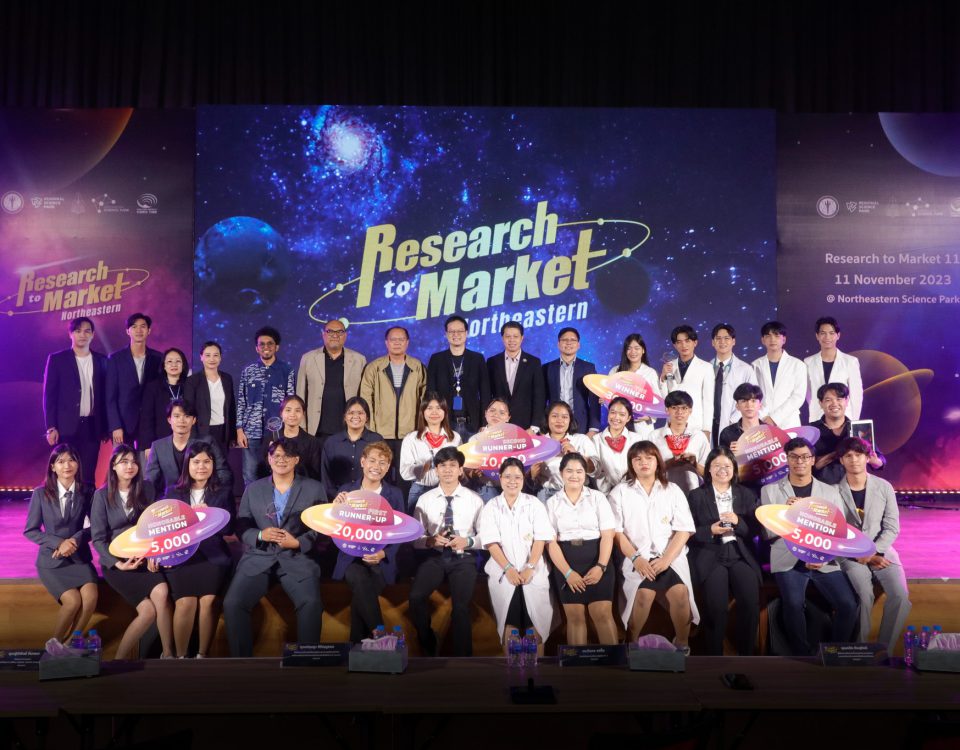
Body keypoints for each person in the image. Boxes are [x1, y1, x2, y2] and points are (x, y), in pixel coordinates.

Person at [223, 438, 326, 657]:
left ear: (296, 460)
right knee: (233, 603)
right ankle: (241, 664)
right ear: (269, 459)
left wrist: (298, 542)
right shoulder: (253, 489)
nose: (281, 460)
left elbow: (321, 527)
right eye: (276, 455)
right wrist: (260, 535)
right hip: (259, 558)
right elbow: (242, 525)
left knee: (311, 603)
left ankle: (307, 661)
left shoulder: (314, 488)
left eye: (287, 456)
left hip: (297, 558)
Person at [760, 437, 859, 656]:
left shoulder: (830, 492)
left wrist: (822, 555)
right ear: (787, 459)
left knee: (848, 605)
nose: (800, 462)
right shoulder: (770, 490)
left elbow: (838, 531)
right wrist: (784, 514)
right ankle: (802, 655)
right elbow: (767, 533)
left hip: (822, 559)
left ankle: (832, 653)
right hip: (788, 559)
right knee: (793, 603)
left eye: (805, 457)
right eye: (794, 457)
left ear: (813, 460)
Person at [608, 441, 698, 654]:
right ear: (631, 463)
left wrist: (666, 559)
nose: (644, 463)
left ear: (658, 461)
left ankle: (682, 644)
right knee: (643, 596)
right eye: (637, 459)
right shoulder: (620, 492)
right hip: (637, 556)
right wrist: (636, 559)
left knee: (680, 594)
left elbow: (684, 530)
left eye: (649, 458)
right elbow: (616, 532)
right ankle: (631, 643)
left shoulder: (672, 490)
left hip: (670, 556)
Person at [91, 444, 174, 659]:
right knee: (148, 611)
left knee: (162, 592)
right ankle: (119, 660)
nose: (130, 466)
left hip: (143, 556)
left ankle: (168, 654)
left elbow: (156, 526)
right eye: (124, 462)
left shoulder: (146, 488)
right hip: (117, 562)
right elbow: (98, 538)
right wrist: (117, 563)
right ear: (113, 466)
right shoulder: (101, 496)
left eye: (133, 462)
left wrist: (155, 553)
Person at [835, 438, 911, 653]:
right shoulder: (833, 491)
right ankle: (859, 650)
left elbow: (892, 527)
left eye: (859, 455)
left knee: (900, 597)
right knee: (864, 596)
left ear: (868, 458)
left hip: (882, 551)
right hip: (850, 555)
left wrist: (873, 551)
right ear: (841, 460)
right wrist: (861, 554)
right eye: (848, 456)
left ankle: (883, 650)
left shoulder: (884, 487)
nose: (854, 460)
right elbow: (834, 531)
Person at [687, 447, 762, 655]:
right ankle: (714, 657)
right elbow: (688, 531)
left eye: (727, 466)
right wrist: (709, 530)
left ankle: (746, 656)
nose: (722, 470)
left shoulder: (746, 494)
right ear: (708, 469)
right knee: (716, 609)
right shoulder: (696, 496)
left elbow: (756, 530)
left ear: (734, 469)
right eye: (717, 465)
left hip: (740, 554)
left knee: (750, 603)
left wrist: (739, 522)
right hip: (710, 554)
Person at [409, 447, 484, 656]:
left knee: (461, 608)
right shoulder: (425, 500)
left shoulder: (474, 499)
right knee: (416, 597)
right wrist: (430, 540)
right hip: (435, 557)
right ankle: (428, 641)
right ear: (436, 470)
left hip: (464, 558)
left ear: (460, 470)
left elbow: (486, 537)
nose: (448, 470)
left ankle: (463, 660)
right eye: (442, 465)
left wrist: (467, 541)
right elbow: (414, 539)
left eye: (453, 465)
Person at [163, 442, 234, 658]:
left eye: (206, 462)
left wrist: (211, 515)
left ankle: (202, 656)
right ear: (187, 464)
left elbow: (229, 528)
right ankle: (180, 658)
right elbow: (164, 528)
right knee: (185, 602)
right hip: (182, 556)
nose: (201, 467)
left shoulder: (222, 491)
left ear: (213, 465)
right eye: (196, 462)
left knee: (208, 602)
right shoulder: (173, 492)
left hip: (212, 556)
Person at [479, 457, 556, 656]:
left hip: (533, 573)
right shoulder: (491, 506)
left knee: (535, 630)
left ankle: (536, 671)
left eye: (517, 477)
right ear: (500, 478)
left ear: (523, 478)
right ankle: (512, 672)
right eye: (507, 476)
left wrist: (530, 567)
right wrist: (508, 569)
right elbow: (491, 543)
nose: (512, 481)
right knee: (510, 628)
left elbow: (541, 539)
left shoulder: (534, 504)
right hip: (503, 574)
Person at [23, 444, 98, 642]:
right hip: (52, 560)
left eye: (71, 460)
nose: (67, 465)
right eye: (61, 461)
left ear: (78, 464)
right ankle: (54, 645)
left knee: (90, 596)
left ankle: (72, 641)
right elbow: (30, 531)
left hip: (79, 557)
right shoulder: (40, 493)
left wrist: (74, 540)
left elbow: (96, 527)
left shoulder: (88, 491)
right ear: (53, 467)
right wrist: (58, 543)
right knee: (72, 601)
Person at [332, 441, 405, 643]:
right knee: (358, 577)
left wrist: (384, 554)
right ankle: (380, 634)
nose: (376, 466)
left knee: (362, 594)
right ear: (362, 462)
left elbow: (400, 532)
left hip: (381, 561)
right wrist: (334, 509)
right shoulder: (346, 491)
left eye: (382, 462)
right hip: (351, 559)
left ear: (388, 467)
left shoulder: (395, 494)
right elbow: (334, 529)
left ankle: (358, 647)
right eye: (372, 460)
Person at [545, 453, 618, 645]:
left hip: (598, 559)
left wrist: (601, 566)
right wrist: (568, 573)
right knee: (575, 618)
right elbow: (550, 543)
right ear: (561, 473)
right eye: (569, 471)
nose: (574, 475)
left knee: (602, 614)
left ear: (585, 474)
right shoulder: (552, 503)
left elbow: (608, 535)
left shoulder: (598, 498)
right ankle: (576, 664)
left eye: (579, 471)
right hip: (566, 563)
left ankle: (614, 663)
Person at [42, 316, 108, 482]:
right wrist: (51, 427)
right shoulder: (57, 359)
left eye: (87, 331)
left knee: (88, 474)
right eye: (78, 331)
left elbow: (106, 396)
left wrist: (106, 426)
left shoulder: (102, 360)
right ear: (70, 334)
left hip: (92, 425)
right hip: (66, 426)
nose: (82, 335)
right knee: (65, 472)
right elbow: (49, 396)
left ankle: (87, 500)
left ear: (93, 334)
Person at [359, 326, 426, 485]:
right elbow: (365, 400)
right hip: (380, 434)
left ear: (407, 342)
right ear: (386, 342)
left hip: (409, 434)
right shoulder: (374, 367)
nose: (397, 343)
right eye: (393, 339)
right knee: (380, 477)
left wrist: (419, 428)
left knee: (406, 479)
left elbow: (424, 401)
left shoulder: (418, 367)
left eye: (401, 339)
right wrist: (371, 429)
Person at [236, 326, 296, 485]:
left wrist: (288, 429)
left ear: (277, 347)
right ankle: (252, 501)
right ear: (257, 348)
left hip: (277, 431)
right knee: (251, 473)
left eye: (270, 343)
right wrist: (239, 429)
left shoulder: (286, 370)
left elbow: (290, 401)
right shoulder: (248, 371)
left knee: (278, 471)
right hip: (252, 431)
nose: (266, 347)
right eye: (261, 344)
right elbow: (242, 401)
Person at [296, 317, 366, 451]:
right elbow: (300, 395)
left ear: (345, 335)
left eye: (340, 332)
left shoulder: (359, 360)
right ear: (323, 334)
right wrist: (302, 426)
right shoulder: (308, 358)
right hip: (317, 431)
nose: (335, 335)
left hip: (349, 430)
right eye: (330, 331)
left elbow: (364, 397)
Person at [144, 400, 231, 496]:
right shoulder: (158, 447)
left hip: (203, 496)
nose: (182, 420)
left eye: (187, 416)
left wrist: (213, 495)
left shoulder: (207, 441)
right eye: (177, 416)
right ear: (169, 420)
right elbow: (150, 480)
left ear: (194, 420)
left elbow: (223, 472)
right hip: (170, 499)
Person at [426, 315, 490, 440]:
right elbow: (431, 393)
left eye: (460, 331)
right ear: (446, 334)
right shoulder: (437, 359)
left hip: (473, 425)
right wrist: (433, 422)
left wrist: (484, 423)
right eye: (451, 331)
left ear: (466, 333)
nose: (456, 334)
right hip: (444, 424)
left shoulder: (477, 359)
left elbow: (485, 393)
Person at [106, 312, 162, 448]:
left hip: (149, 423)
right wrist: (115, 425)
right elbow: (110, 396)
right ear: (128, 331)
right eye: (134, 327)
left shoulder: (158, 358)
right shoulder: (116, 359)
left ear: (149, 330)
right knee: (122, 460)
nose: (139, 330)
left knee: (147, 461)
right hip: (123, 425)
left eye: (143, 326)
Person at [810, 383, 884, 484]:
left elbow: (879, 462)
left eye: (839, 399)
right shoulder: (811, 430)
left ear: (847, 401)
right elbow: (807, 464)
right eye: (828, 400)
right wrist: (836, 454)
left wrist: (875, 461)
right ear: (820, 403)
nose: (834, 403)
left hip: (855, 486)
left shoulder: (859, 428)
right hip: (822, 487)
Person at [400, 393, 463, 511]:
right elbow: (404, 471)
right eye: (429, 408)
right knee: (417, 523)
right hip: (420, 490)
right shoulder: (411, 438)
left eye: (439, 408)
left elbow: (461, 466)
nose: (434, 412)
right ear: (423, 412)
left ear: (445, 411)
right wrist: (423, 468)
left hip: (448, 490)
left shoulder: (455, 438)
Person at [530, 401, 598, 502]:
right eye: (554, 416)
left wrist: (576, 455)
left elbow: (596, 470)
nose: (559, 420)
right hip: (547, 494)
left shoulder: (581, 439)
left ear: (570, 420)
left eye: (564, 417)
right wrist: (532, 475)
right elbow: (529, 481)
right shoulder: (538, 443)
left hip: (579, 493)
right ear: (547, 419)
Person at [486, 321, 546, 432]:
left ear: (522, 338)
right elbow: (487, 394)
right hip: (497, 425)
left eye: (515, 336)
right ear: (502, 338)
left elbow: (539, 396)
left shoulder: (533, 362)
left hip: (526, 426)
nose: (511, 340)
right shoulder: (492, 362)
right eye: (508, 336)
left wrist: (534, 426)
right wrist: (486, 423)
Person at [709, 324, 762, 447]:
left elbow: (752, 398)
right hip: (710, 422)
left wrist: (733, 420)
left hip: (733, 424)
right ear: (713, 342)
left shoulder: (745, 369)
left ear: (733, 341)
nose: (722, 342)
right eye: (718, 338)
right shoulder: (706, 368)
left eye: (726, 338)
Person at [320, 396, 383, 499]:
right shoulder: (331, 442)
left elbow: (383, 470)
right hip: (338, 499)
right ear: (345, 417)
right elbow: (325, 477)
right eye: (351, 413)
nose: (355, 416)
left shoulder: (376, 440)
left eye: (360, 413)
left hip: (369, 498)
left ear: (367, 417)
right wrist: (336, 496)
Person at [659, 325, 714, 440]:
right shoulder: (669, 366)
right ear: (675, 345)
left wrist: (707, 429)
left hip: (696, 424)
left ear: (695, 342)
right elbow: (665, 398)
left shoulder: (706, 367)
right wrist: (663, 378)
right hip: (673, 424)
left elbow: (708, 401)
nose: (683, 345)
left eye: (687, 341)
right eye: (679, 342)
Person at [543, 327, 601, 436]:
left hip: (581, 424)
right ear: (558, 344)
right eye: (565, 340)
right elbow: (542, 400)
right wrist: (541, 427)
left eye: (573, 340)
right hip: (554, 424)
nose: (568, 343)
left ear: (578, 345)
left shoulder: (588, 368)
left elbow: (594, 400)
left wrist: (593, 428)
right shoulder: (547, 368)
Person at [805, 317, 863, 422]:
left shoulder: (850, 361)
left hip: (843, 417)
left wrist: (854, 421)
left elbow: (856, 395)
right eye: (823, 333)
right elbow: (808, 393)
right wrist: (819, 405)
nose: (827, 337)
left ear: (838, 335)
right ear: (817, 336)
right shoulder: (808, 362)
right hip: (817, 416)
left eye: (831, 333)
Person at [183, 341, 237, 456]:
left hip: (223, 432)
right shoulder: (193, 381)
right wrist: (192, 436)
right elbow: (189, 411)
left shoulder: (227, 379)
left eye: (215, 355)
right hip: (202, 432)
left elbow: (231, 408)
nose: (212, 359)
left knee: (222, 463)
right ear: (201, 357)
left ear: (220, 357)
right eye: (207, 355)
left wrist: (232, 435)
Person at [651, 391, 710, 494]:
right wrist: (669, 463)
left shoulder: (699, 437)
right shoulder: (654, 436)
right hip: (662, 491)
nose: (679, 412)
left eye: (684, 408)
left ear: (690, 410)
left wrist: (694, 464)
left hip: (693, 492)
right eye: (674, 408)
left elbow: (709, 473)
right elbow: (649, 470)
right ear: (667, 410)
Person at [751, 321, 807, 429]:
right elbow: (754, 396)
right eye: (768, 336)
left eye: (776, 335)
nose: (772, 339)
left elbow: (798, 396)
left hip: (789, 421)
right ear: (763, 340)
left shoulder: (798, 365)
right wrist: (764, 417)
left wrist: (774, 418)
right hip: (763, 420)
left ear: (784, 339)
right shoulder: (755, 365)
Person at [138, 348, 189, 455]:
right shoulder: (153, 388)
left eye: (178, 361)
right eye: (169, 361)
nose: (174, 365)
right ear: (164, 366)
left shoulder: (190, 386)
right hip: (160, 440)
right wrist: (148, 445)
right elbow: (146, 418)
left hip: (186, 441)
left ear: (183, 365)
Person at [593, 396, 647, 493]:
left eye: (622, 414)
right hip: (605, 494)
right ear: (608, 413)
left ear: (628, 418)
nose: (616, 417)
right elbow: (595, 471)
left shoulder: (637, 439)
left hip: (632, 492)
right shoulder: (596, 440)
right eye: (613, 412)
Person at [262, 395, 322, 481]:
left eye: (297, 410)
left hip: (303, 485)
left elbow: (315, 473)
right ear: (281, 413)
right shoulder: (271, 439)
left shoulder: (312, 442)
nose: (292, 414)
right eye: (288, 410)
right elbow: (264, 469)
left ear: (303, 414)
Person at [463, 397, 512, 502]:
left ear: (508, 418)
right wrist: (474, 473)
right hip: (485, 488)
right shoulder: (474, 439)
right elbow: (467, 468)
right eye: (492, 410)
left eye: (502, 412)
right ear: (485, 413)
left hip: (510, 488)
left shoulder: (515, 441)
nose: (496, 415)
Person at [609, 333, 660, 432]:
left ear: (643, 350)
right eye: (629, 348)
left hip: (641, 426)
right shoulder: (615, 371)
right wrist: (604, 398)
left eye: (637, 348)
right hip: (618, 423)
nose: (633, 352)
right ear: (625, 351)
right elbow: (608, 396)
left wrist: (648, 416)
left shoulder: (650, 373)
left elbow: (658, 401)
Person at [718, 383, 765, 453]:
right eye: (744, 401)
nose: (749, 405)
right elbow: (722, 458)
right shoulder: (727, 434)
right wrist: (730, 454)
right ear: (737, 406)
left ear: (760, 405)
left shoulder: (770, 431)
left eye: (753, 401)